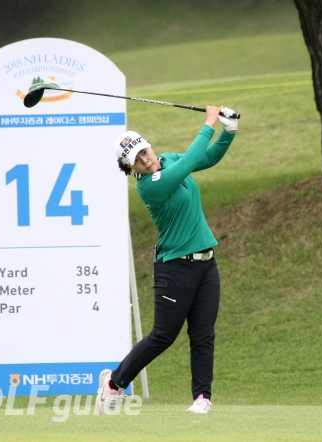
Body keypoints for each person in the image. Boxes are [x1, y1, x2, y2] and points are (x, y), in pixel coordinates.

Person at [97, 105, 238, 414]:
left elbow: (205, 158)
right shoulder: (149, 186)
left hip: (206, 265)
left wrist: (229, 131)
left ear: (149, 145)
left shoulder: (169, 159)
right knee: (163, 336)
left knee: (203, 335)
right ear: (131, 167)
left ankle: (202, 398)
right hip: (175, 268)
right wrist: (209, 123)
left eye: (145, 151)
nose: (146, 159)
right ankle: (114, 384)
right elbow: (189, 161)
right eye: (138, 159)